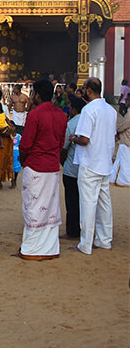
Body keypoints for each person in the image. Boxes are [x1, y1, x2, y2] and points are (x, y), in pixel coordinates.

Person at [16, 80, 67, 260]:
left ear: (37, 95)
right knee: (50, 207)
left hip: (36, 165)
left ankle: (31, 249)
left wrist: (23, 161)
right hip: (52, 167)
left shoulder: (35, 115)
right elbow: (61, 143)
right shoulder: (61, 115)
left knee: (33, 206)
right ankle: (49, 248)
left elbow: (26, 144)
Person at [68, 78, 116, 255]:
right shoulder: (110, 110)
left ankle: (85, 244)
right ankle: (104, 240)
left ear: (88, 91)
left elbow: (85, 139)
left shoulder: (89, 110)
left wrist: (73, 138)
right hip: (105, 161)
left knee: (88, 204)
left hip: (90, 163)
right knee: (104, 203)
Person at [60, 96, 85, 239]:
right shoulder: (89, 121)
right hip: (86, 167)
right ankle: (85, 229)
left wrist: (62, 161)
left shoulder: (72, 123)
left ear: (74, 109)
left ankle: (72, 231)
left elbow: (64, 147)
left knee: (72, 200)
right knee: (85, 200)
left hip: (71, 167)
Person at [112, 102, 130, 187]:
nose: (126, 101)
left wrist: (117, 130)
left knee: (124, 161)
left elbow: (124, 125)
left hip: (126, 139)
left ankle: (124, 180)